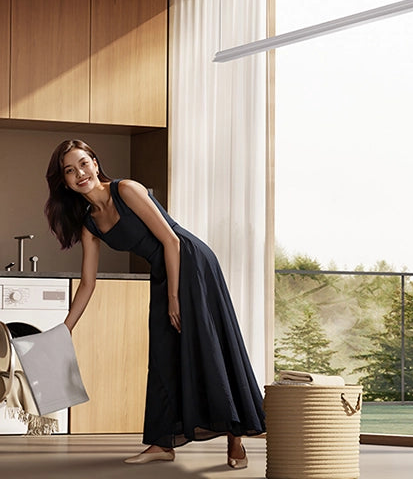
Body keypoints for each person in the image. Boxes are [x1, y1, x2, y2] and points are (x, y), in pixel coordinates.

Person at [44, 139, 265, 468]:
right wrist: (65, 329)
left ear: (95, 162)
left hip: (190, 262)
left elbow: (171, 240)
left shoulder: (127, 189)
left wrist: (174, 298)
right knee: (162, 355)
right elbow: (88, 284)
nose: (80, 173)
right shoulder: (90, 223)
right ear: (64, 181)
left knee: (208, 346)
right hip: (164, 274)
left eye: (84, 164)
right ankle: (162, 443)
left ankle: (236, 440)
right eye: (70, 170)